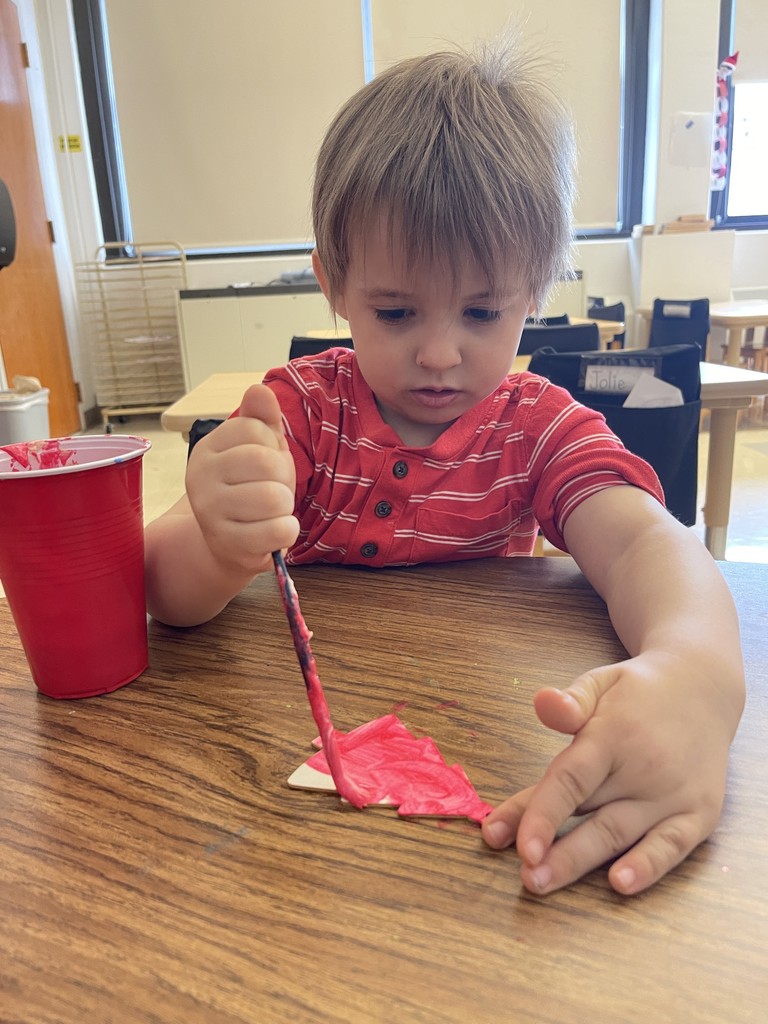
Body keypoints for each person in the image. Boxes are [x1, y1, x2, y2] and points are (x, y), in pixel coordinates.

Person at [145, 33, 745, 897]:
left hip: (476, 762)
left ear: (534, 291)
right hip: (283, 804)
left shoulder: (537, 427)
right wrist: (219, 539)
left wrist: (698, 671)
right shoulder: (300, 413)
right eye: (394, 312)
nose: (437, 353)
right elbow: (167, 594)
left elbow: (647, 545)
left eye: (480, 311)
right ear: (333, 285)